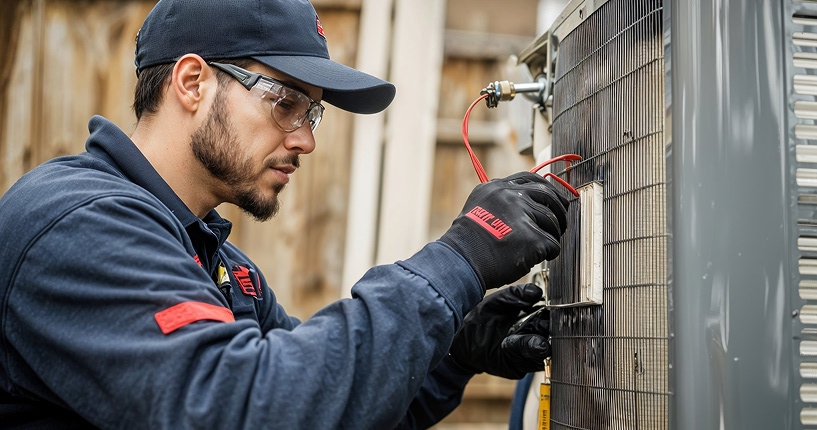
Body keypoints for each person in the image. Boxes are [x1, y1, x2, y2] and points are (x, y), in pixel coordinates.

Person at [0, 0, 569, 428]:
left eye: (311, 114)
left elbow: (327, 401)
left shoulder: (217, 261)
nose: (305, 140)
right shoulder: (76, 223)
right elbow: (252, 407)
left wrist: (454, 350)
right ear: (193, 83)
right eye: (286, 102)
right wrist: (459, 259)